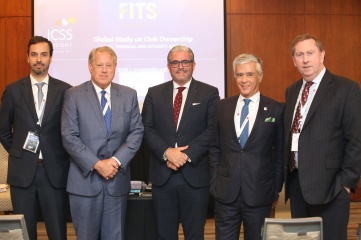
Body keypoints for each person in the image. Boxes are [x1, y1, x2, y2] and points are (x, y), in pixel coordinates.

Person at [61, 46, 144, 240]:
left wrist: (114, 161)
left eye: (109, 65)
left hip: (116, 182)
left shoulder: (129, 95)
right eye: (99, 65)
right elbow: (69, 137)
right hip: (84, 184)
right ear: (90, 67)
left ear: (115, 67)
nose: (104, 70)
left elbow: (136, 132)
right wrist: (97, 164)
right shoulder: (73, 95)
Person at [284, 34, 361, 240]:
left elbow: (356, 139)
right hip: (297, 186)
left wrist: (346, 183)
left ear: (322, 55)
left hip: (331, 189)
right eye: (300, 55)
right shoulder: (292, 91)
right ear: (294, 61)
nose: (305, 59)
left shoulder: (346, 89)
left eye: (310, 53)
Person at [142, 45, 220, 239]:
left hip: (195, 177)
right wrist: (167, 152)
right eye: (175, 62)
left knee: (194, 234)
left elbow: (212, 130)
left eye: (185, 62)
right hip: (163, 177)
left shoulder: (209, 93)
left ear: (193, 65)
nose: (180, 66)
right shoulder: (154, 93)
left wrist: (185, 154)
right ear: (168, 67)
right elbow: (146, 128)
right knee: (165, 234)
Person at [0, 36, 71, 240]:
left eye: (43, 54)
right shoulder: (13, 91)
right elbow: (4, 130)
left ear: (50, 58)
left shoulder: (65, 91)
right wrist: (20, 151)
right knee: (24, 233)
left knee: (58, 232)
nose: (39, 59)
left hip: (54, 172)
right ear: (27, 58)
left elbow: (70, 130)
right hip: (22, 174)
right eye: (34, 55)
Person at [209, 53, 284, 240]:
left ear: (260, 76)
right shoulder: (222, 107)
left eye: (249, 74)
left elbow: (280, 154)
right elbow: (215, 148)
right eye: (239, 75)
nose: (244, 80)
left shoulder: (276, 109)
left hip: (260, 193)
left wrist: (275, 188)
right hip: (226, 193)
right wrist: (214, 182)